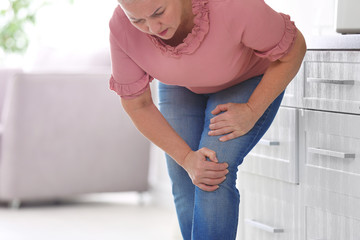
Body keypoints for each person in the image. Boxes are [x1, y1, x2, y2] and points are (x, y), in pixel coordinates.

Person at [108, 0, 306, 238]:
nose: (152, 27)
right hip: (181, 84)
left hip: (246, 77)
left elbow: (294, 48)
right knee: (187, 173)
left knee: (212, 172)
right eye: (137, 20)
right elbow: (137, 104)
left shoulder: (232, 5)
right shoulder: (121, 26)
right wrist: (185, 158)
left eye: (158, 12)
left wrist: (253, 109)